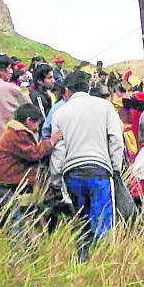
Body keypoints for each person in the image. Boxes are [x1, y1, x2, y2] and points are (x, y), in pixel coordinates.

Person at [50, 71, 125, 261]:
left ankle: (82, 263)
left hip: (72, 173)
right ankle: (103, 266)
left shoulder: (60, 114)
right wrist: (115, 168)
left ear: (67, 91)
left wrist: (56, 182)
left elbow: (59, 152)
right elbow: (116, 140)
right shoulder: (105, 107)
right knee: (103, 224)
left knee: (81, 225)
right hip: (100, 171)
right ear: (88, 88)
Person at [0, 104, 62, 231]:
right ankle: (18, 249)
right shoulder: (17, 134)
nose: (37, 128)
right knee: (13, 220)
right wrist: (51, 141)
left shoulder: (13, 132)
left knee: (0, 220)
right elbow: (34, 153)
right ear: (29, 120)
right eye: (37, 123)